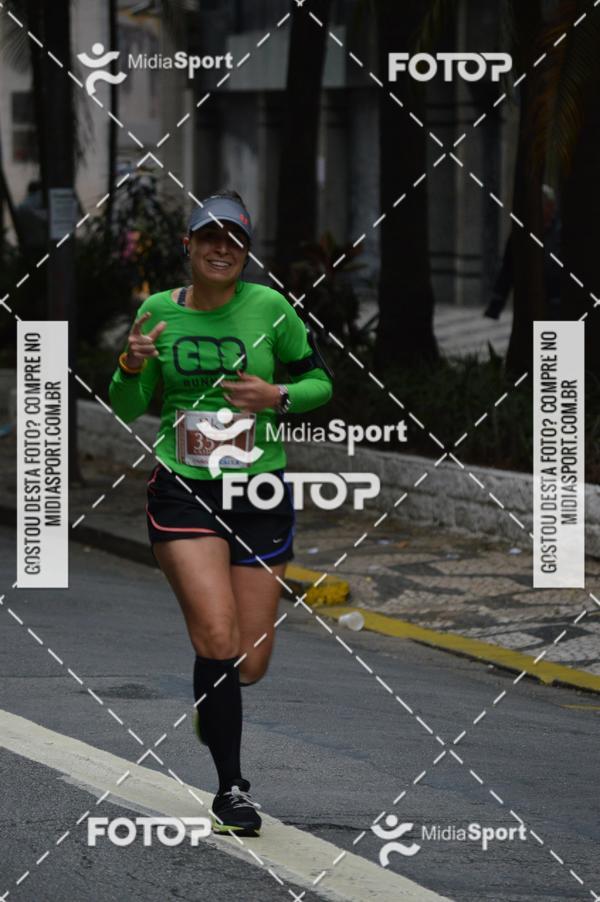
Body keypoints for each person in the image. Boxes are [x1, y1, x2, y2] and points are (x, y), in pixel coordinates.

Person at [108, 190, 332, 836]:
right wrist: (129, 364)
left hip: (258, 493)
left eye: (232, 240)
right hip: (184, 488)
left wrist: (276, 395)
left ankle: (216, 698)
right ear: (188, 246)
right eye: (208, 237)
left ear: (246, 253)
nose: (220, 248)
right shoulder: (156, 314)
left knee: (249, 663)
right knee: (217, 638)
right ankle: (231, 788)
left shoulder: (270, 310)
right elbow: (127, 405)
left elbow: (322, 383)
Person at [484, 185, 561, 319]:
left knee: (559, 339)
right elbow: (507, 270)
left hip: (558, 305)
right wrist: (495, 306)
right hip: (530, 304)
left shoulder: (561, 233)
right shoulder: (521, 235)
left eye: (548, 205)